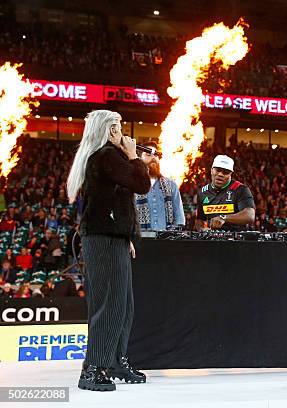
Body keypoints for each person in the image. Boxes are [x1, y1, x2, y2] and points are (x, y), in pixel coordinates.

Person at [67, 109, 151, 392]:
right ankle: (93, 368)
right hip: (102, 237)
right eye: (114, 128)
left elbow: (112, 201)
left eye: (120, 127)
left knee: (124, 303)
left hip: (113, 235)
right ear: (103, 130)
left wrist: (126, 235)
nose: (120, 133)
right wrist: (135, 157)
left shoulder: (106, 157)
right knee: (109, 303)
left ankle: (114, 360)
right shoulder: (106, 156)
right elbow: (142, 184)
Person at [195, 155, 255, 231]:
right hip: (213, 239)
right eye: (217, 170)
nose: (220, 174)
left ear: (231, 174)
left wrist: (223, 218)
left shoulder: (241, 189)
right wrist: (203, 229)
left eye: (225, 172)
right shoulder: (203, 192)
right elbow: (199, 219)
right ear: (211, 170)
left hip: (236, 239)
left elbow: (250, 216)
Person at [135, 141, 185, 231]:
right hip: (139, 241)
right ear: (139, 158)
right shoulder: (132, 184)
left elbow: (179, 219)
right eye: (148, 154)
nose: (153, 158)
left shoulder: (171, 185)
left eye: (155, 155)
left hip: (165, 241)